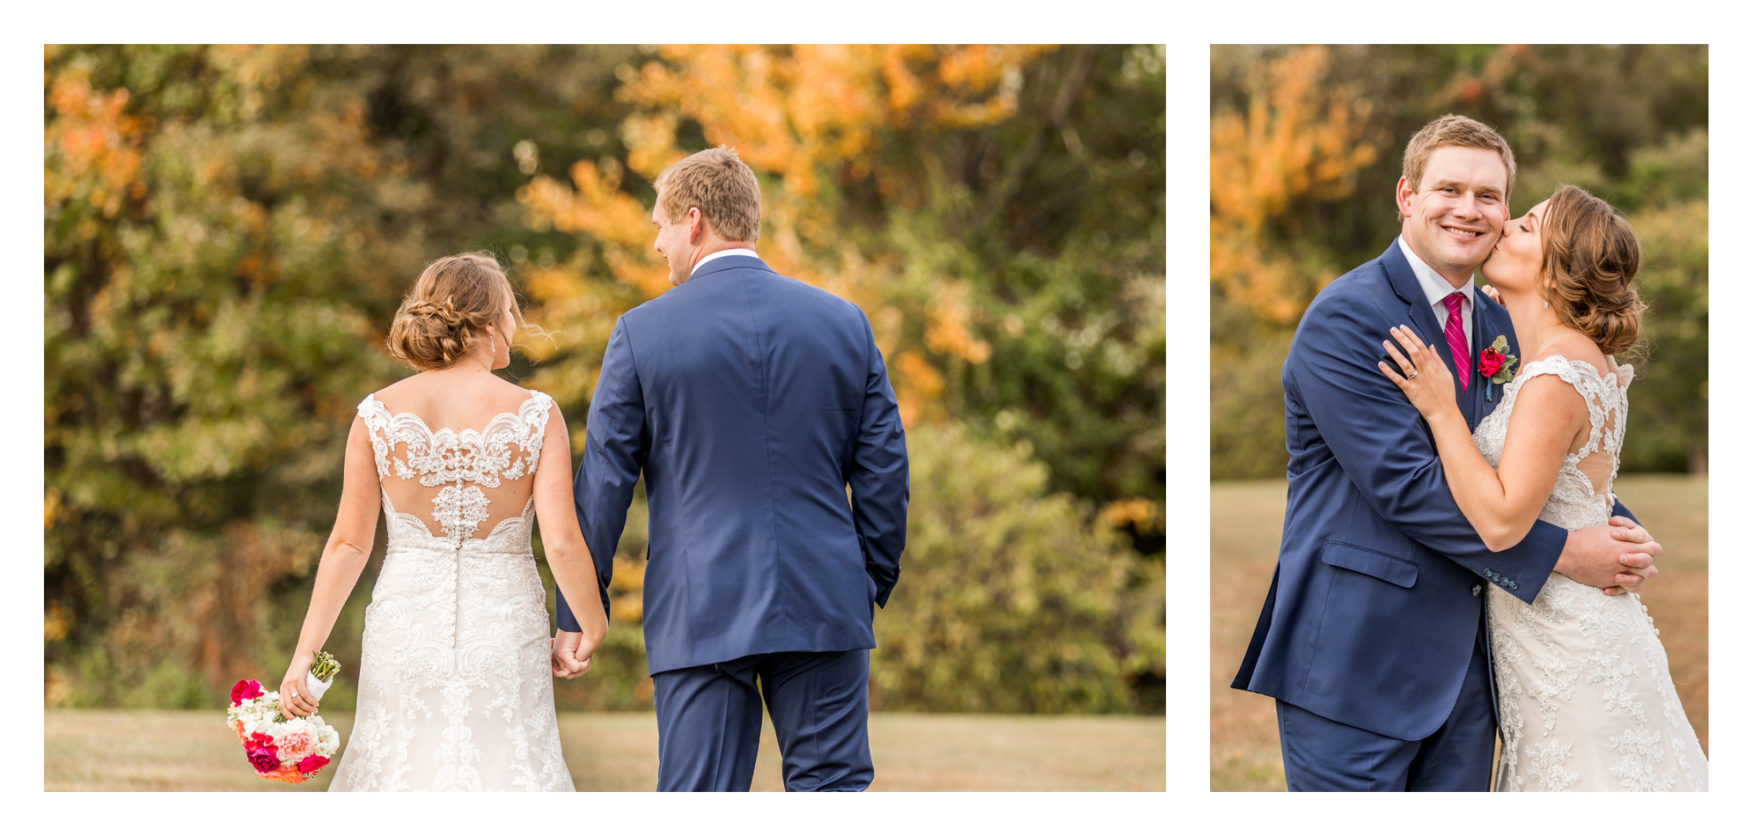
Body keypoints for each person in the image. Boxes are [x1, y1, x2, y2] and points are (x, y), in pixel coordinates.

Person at [1231, 115, 1662, 791]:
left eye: (1489, 197)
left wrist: (1609, 520)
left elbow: (1533, 451)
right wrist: (1569, 552)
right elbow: (1409, 487)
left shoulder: (1503, 320)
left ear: (1505, 211)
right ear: (1407, 196)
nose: (1469, 210)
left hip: (1474, 673)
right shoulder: (1348, 317)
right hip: (1357, 660)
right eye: (1449, 189)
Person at [550, 146, 909, 792]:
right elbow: (884, 469)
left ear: (693, 222)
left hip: (699, 606)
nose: (657, 243)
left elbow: (604, 483)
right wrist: (866, 578)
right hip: (825, 596)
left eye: (659, 225)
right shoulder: (843, 323)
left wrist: (578, 610)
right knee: (831, 795)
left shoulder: (640, 333)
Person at [1378, 184, 1708, 790]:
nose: (1503, 227)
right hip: (1556, 632)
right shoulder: (1569, 359)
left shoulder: (1557, 372)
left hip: (1570, 646)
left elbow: (1503, 521)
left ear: (1557, 272)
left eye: (1526, 227)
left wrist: (1442, 411)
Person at [277, 252, 609, 791]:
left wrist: (304, 655)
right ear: (483, 323)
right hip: (505, 627)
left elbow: (347, 546)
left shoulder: (377, 414)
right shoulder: (536, 413)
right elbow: (563, 542)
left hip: (405, 624)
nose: (515, 325)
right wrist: (590, 624)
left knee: (399, 767)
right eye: (508, 311)